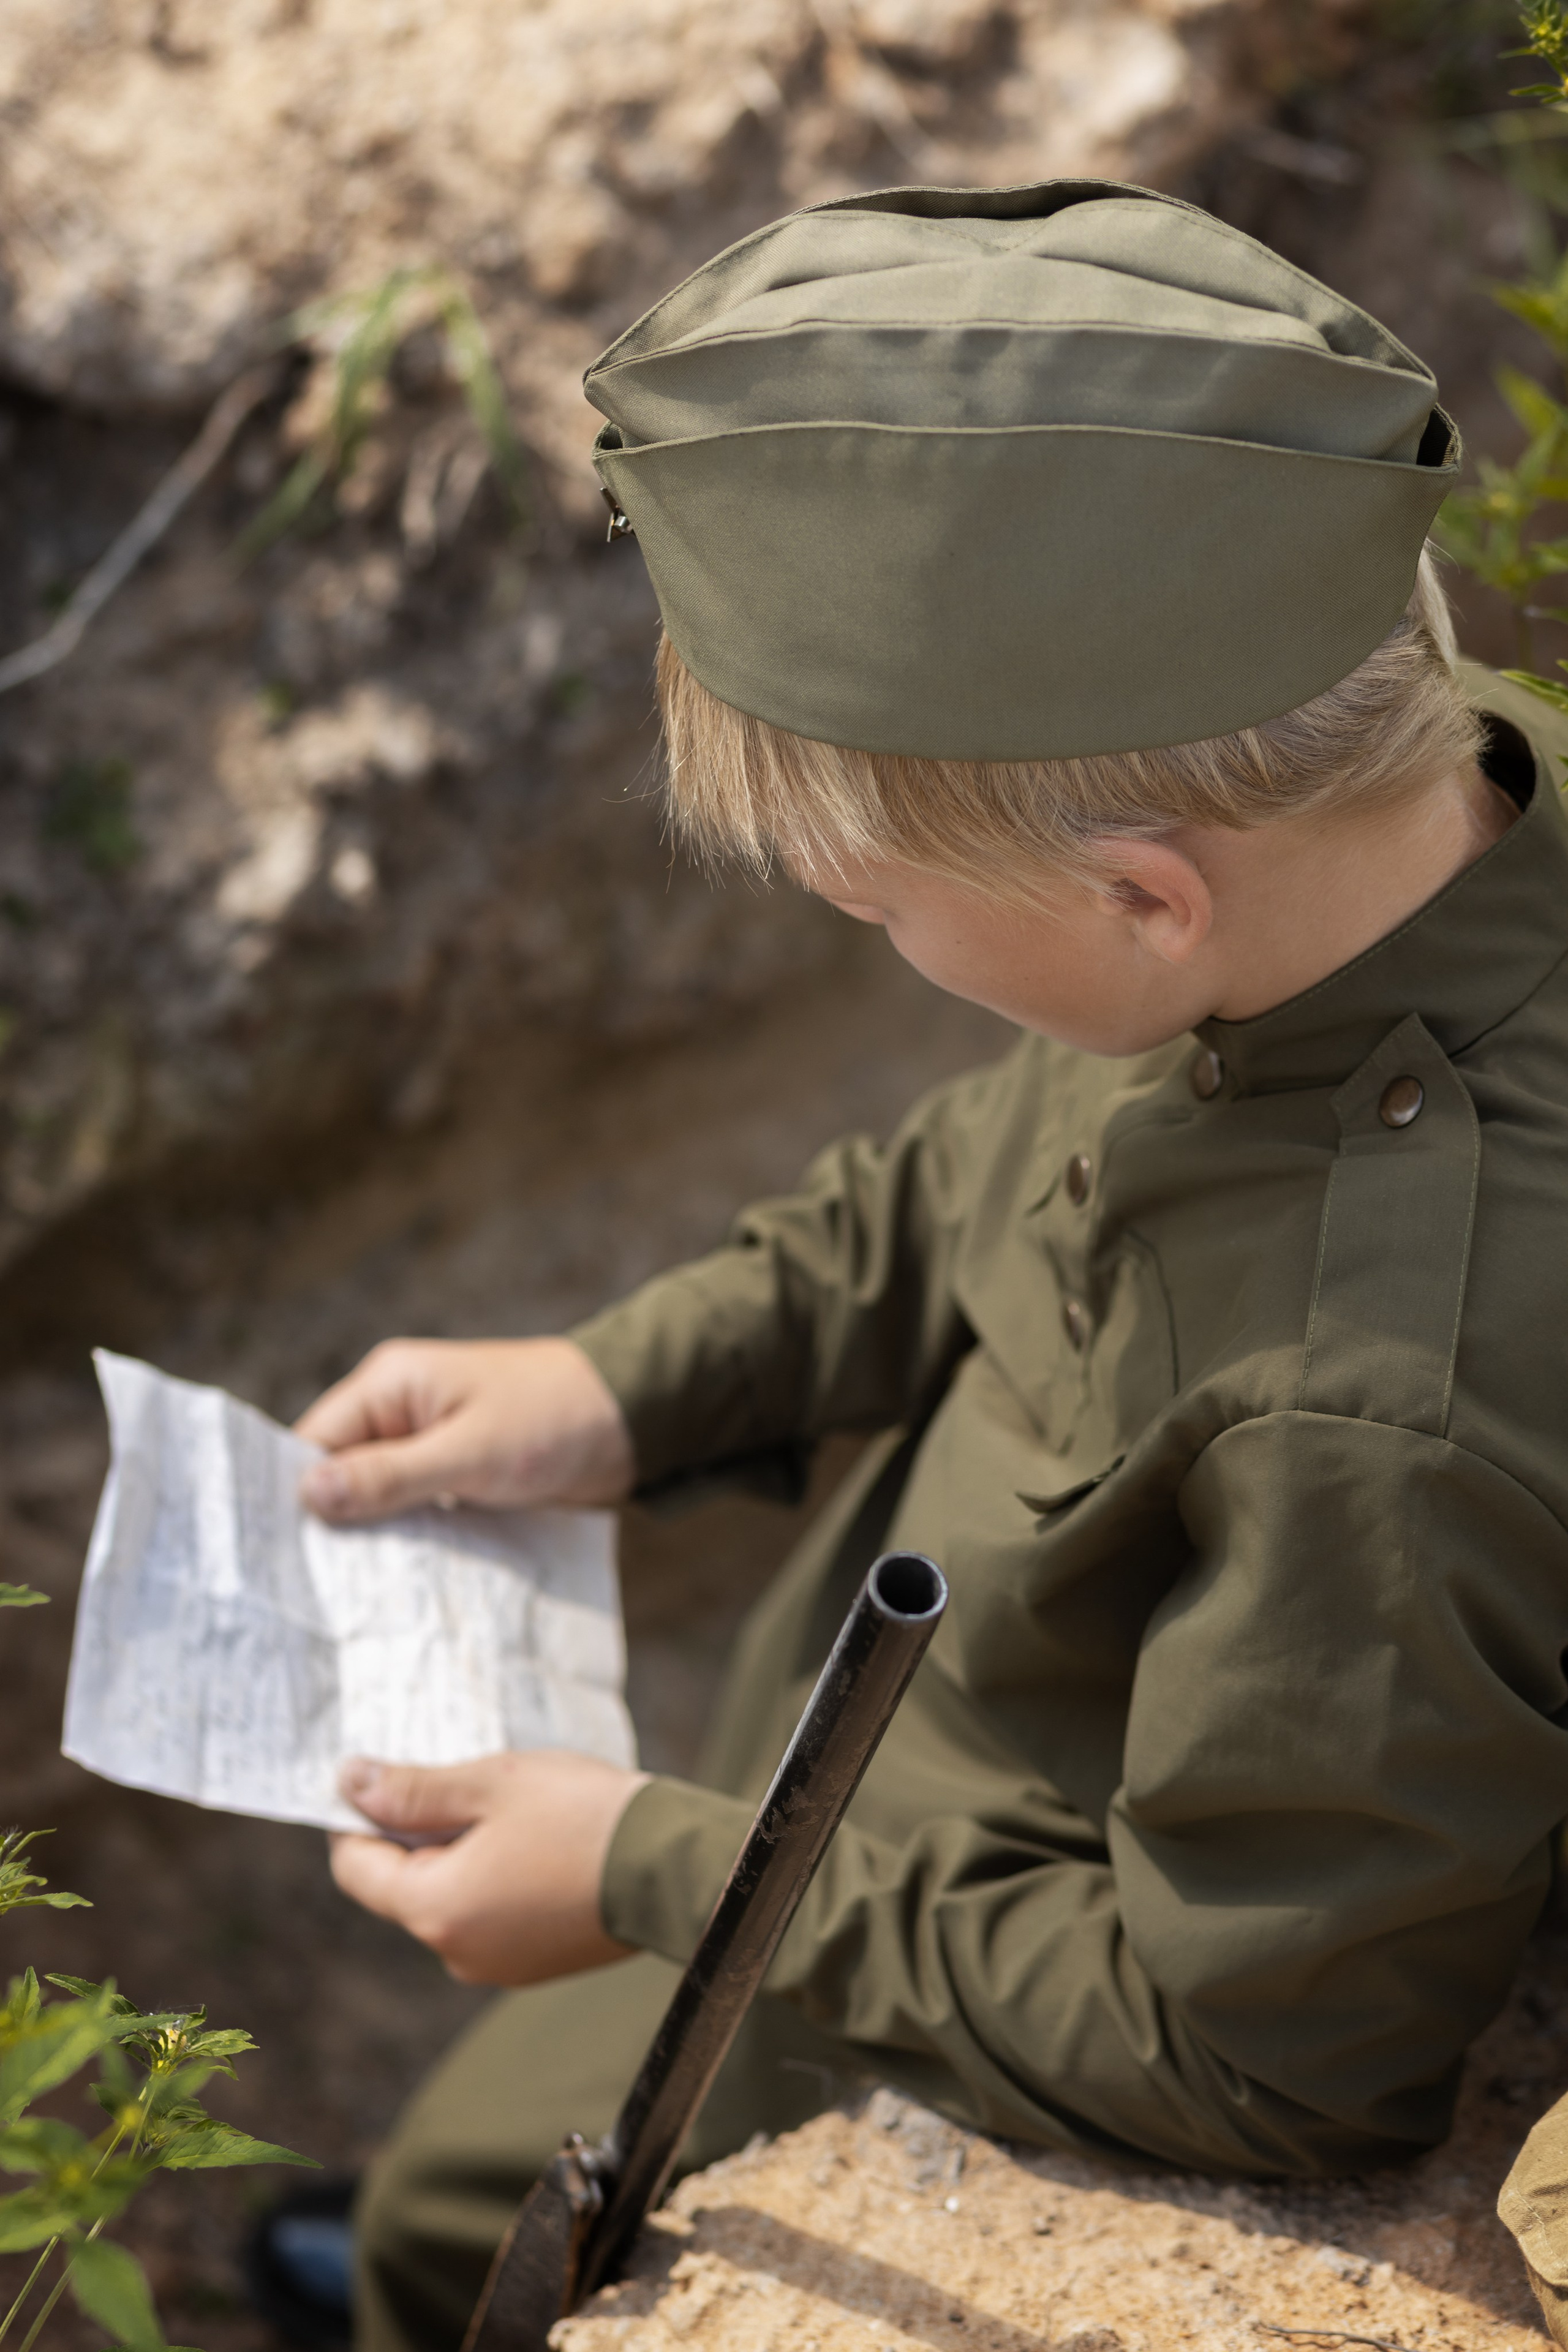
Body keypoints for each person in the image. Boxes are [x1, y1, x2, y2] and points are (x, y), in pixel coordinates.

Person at [283, 183, 1568, 2352]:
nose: (857, 932)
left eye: (872, 904)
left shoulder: (1386, 1418)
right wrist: (630, 1382)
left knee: (501, 2234)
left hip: (924, 1955)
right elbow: (990, 1162)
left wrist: (656, 1876)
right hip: (837, 1770)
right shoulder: (1401, 805)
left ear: (1148, 901)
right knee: (455, 2177)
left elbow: (1267, 2054)